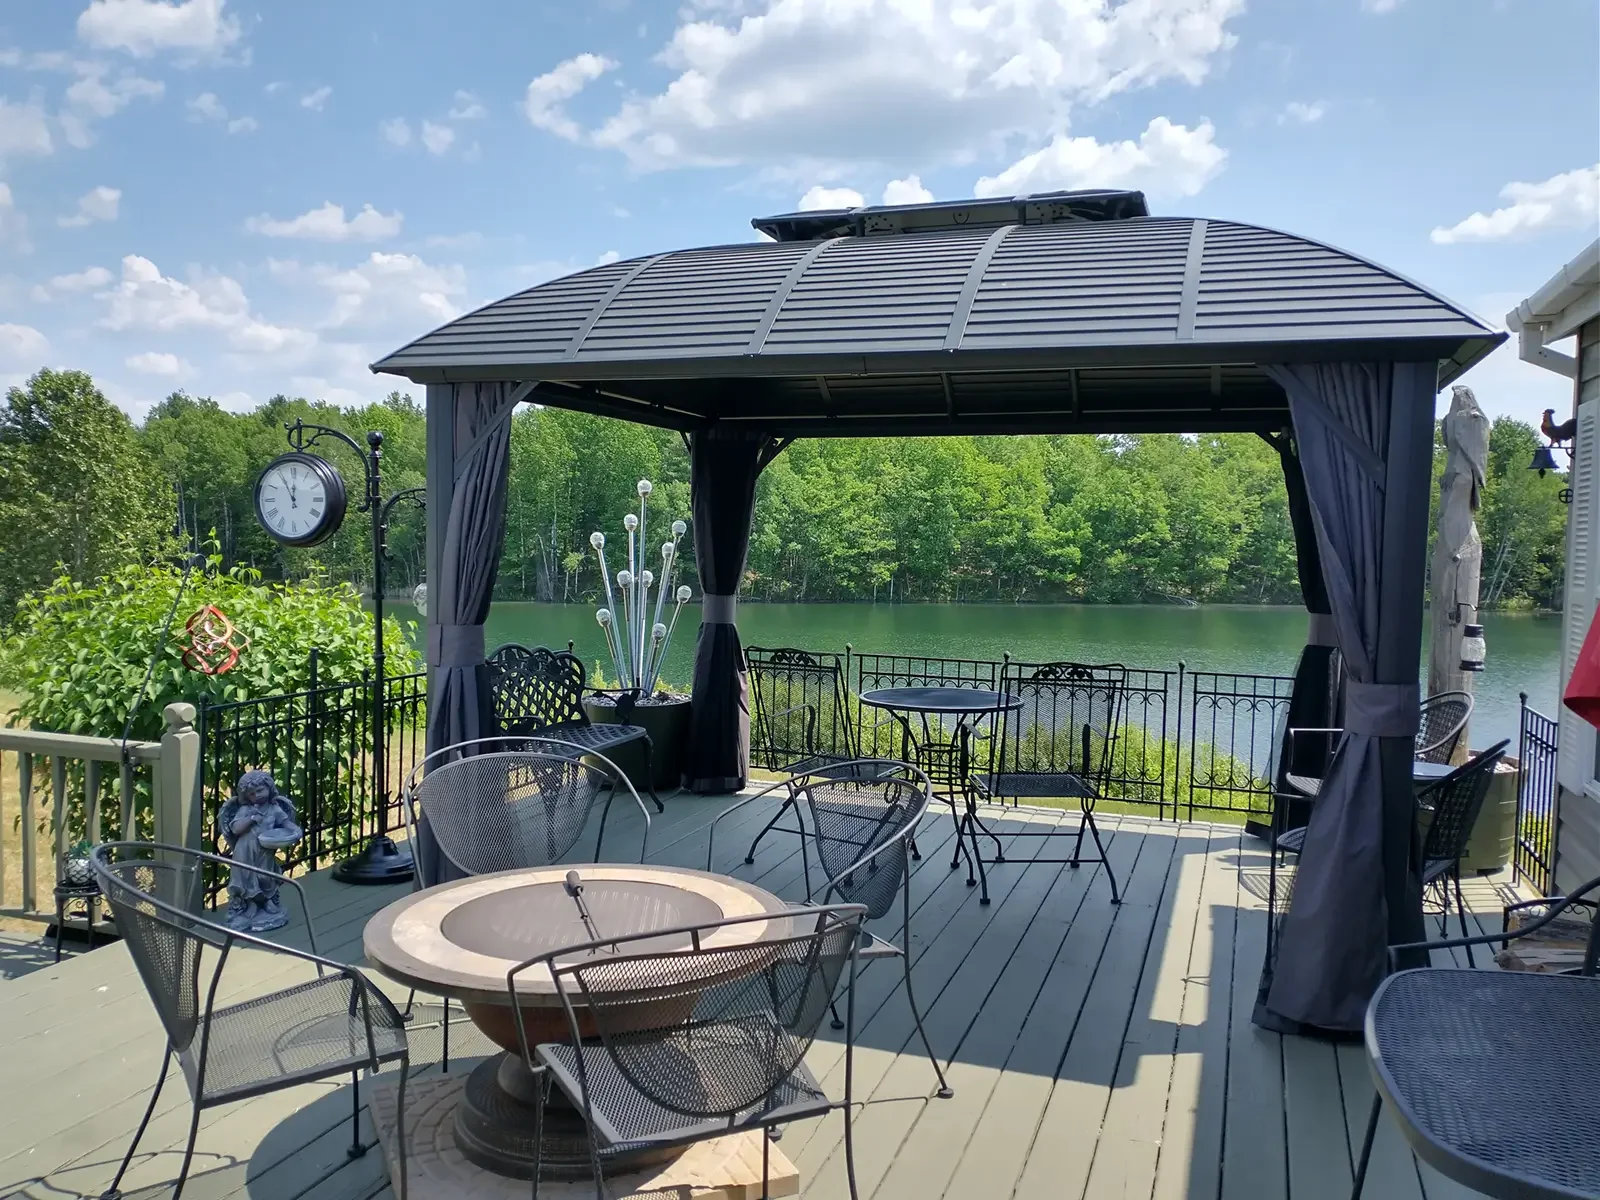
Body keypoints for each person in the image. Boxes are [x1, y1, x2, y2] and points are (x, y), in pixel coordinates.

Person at [218, 769, 303, 932]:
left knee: (265, 877)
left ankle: (266, 901)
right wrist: (251, 819)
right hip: (245, 851)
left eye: (260, 790)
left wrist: (296, 831)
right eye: (251, 794)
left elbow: (286, 823)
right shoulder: (246, 810)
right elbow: (235, 829)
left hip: (264, 851)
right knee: (246, 879)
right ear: (246, 796)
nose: (256, 795)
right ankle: (251, 905)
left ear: (269, 788)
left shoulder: (274, 809)